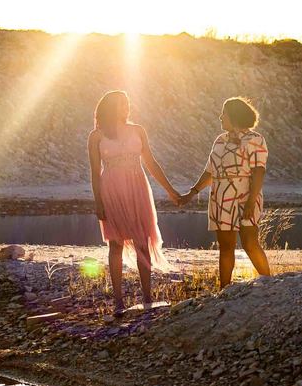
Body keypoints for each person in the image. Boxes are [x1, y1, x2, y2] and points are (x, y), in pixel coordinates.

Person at [88, 90, 180, 314]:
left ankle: (147, 297)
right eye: (121, 104)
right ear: (110, 107)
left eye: (127, 103)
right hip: (112, 191)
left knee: (142, 242)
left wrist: (170, 191)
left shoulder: (138, 130)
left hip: (138, 189)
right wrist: (98, 202)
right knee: (115, 244)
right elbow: (94, 173)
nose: (126, 107)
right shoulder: (97, 136)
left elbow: (151, 162)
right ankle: (119, 302)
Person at [180, 97, 272, 288]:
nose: (220, 117)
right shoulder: (220, 141)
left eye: (224, 113)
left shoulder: (255, 139)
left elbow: (258, 171)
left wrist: (250, 202)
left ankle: (269, 285)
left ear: (234, 115)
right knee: (225, 247)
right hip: (221, 198)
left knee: (249, 243)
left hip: (246, 195)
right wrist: (192, 192)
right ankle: (224, 290)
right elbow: (210, 171)